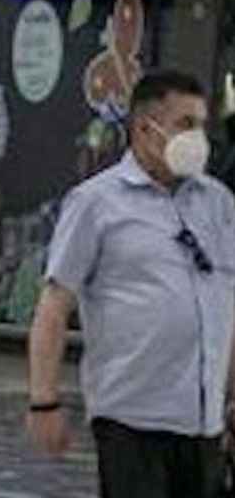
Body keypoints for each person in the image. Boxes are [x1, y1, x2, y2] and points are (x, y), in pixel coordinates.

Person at [27, 70, 235, 497]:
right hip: (132, 422)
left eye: (202, 125)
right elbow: (53, 306)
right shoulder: (96, 204)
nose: (199, 138)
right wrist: (43, 400)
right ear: (144, 128)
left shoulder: (218, 203)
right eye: (186, 125)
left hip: (204, 423)